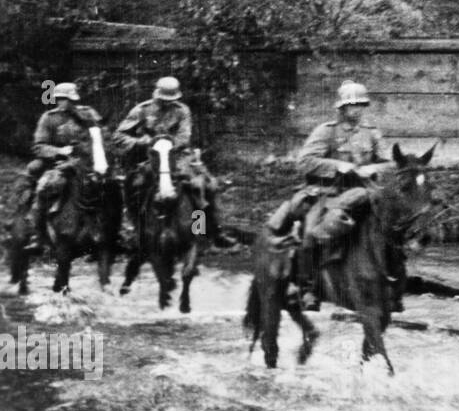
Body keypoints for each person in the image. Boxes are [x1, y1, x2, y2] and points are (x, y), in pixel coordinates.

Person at [265, 80, 391, 311]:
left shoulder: (371, 133)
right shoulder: (326, 131)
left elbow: (388, 163)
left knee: (392, 228)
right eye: (352, 106)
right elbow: (304, 161)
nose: (357, 110)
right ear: (341, 108)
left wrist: (374, 168)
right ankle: (308, 288)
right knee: (311, 237)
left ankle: (391, 278)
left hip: (363, 193)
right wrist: (336, 166)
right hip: (327, 194)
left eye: (361, 105)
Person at [114, 76, 236, 248]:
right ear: (156, 95)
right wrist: (143, 142)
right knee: (134, 186)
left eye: (170, 100)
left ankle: (202, 231)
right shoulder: (142, 110)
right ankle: (138, 231)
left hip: (179, 157)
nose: (167, 103)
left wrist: (167, 143)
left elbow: (184, 137)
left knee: (204, 185)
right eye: (163, 100)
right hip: (150, 157)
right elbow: (119, 136)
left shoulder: (182, 110)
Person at [21, 83, 108, 252]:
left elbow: (101, 135)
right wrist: (59, 151)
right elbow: (39, 146)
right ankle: (38, 235)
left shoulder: (88, 113)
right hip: (57, 163)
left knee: (106, 189)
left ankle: (106, 233)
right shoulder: (49, 118)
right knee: (44, 187)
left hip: (86, 162)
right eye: (61, 99)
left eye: (68, 99)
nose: (64, 103)